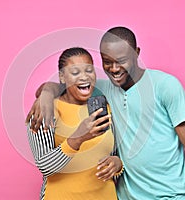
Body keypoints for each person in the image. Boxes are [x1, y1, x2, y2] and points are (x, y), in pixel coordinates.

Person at [26, 27, 185, 200]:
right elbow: (69, 85)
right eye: (107, 61)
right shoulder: (104, 90)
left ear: (137, 53)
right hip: (126, 196)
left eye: (121, 60)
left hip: (170, 195)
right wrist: (47, 92)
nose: (114, 68)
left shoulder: (165, 85)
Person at [27, 47, 123, 200]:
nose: (84, 77)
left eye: (89, 70)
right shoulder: (45, 109)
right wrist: (78, 138)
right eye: (75, 72)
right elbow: (45, 167)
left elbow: (114, 154)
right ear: (62, 77)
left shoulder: (103, 108)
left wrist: (117, 164)